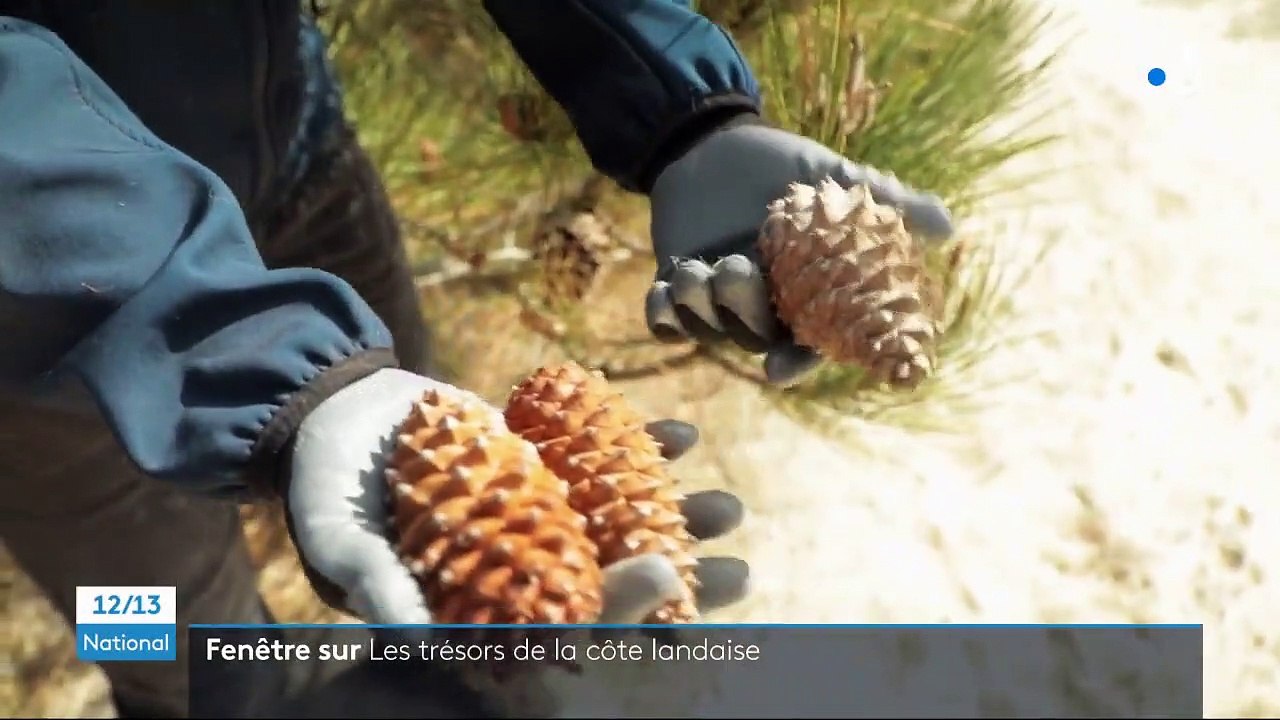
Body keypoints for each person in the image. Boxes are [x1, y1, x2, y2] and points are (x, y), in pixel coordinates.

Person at [0, 1, 953, 717]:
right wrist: (264, 366)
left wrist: (676, 103)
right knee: (161, 632)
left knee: (398, 497)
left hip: (296, 159)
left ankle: (459, 664)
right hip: (41, 319)